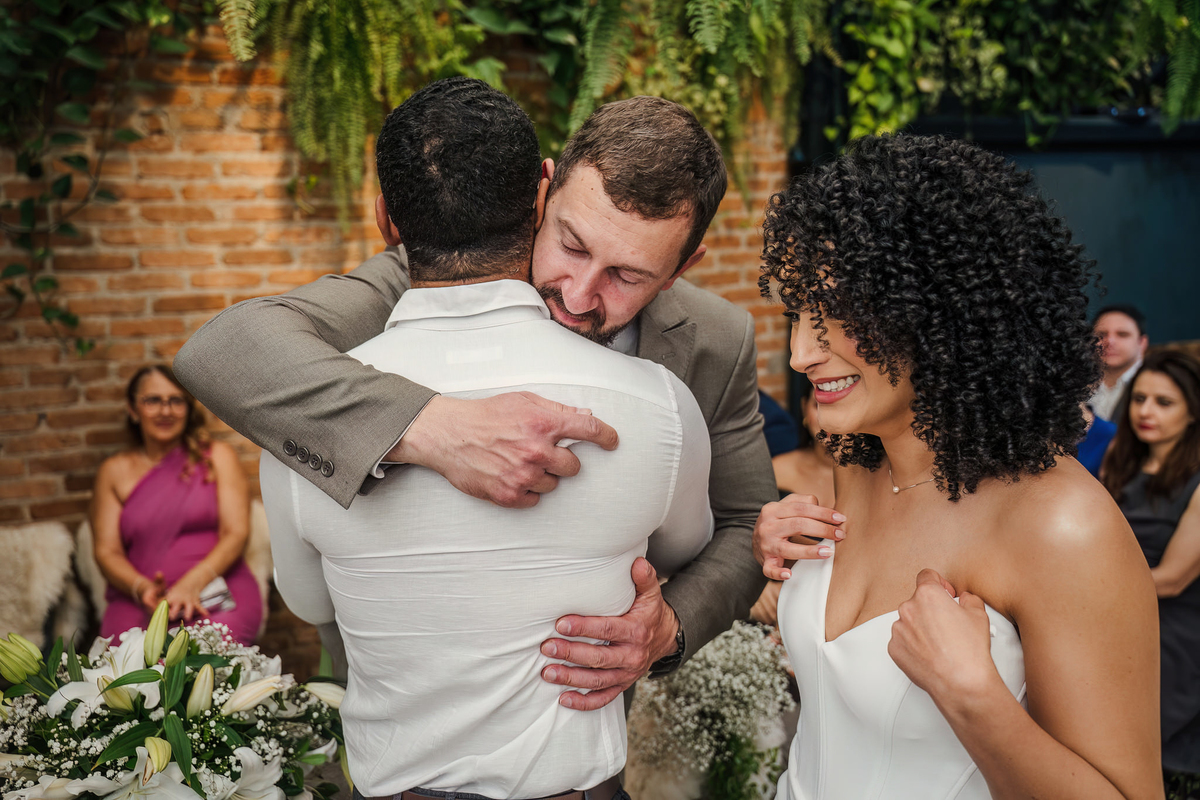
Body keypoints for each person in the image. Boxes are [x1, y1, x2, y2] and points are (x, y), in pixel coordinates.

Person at [175, 95, 836, 708]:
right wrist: (429, 426)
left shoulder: (718, 339)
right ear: (544, 193)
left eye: (627, 276)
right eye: (571, 245)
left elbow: (744, 517)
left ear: (682, 268)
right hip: (390, 705)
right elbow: (223, 351)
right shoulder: (431, 271)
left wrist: (671, 628)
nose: (577, 296)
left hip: (585, 722)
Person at [262, 77, 712, 800]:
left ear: (384, 220)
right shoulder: (660, 406)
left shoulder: (300, 421)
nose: (582, 291)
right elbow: (684, 551)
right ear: (541, 198)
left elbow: (313, 606)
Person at [754, 134, 1162, 799]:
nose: (801, 351)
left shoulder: (1064, 525)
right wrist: (778, 552)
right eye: (801, 311)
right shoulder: (858, 465)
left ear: (941, 314)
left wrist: (972, 695)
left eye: (838, 313)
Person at [91, 366, 261, 643]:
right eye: (153, 400)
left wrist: (192, 584)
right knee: (128, 664)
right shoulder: (113, 471)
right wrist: (141, 587)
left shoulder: (218, 457)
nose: (166, 411)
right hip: (140, 600)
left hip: (217, 587)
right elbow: (106, 551)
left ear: (188, 409)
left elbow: (236, 533)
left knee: (209, 659)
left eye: (176, 400)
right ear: (133, 409)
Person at [1101, 349, 1200, 782]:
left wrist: (1082, 590)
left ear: (1194, 411)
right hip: (1113, 612)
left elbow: (1174, 579)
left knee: (1144, 757)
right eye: (1139, 399)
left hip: (1172, 628)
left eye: (1164, 402)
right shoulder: (1120, 459)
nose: (1145, 411)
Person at [751, 377, 834, 626]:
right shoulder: (776, 468)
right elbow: (743, 534)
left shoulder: (878, 479)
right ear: (804, 408)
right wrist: (757, 588)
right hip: (774, 611)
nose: (828, 418)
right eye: (819, 405)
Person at [1091, 303, 1149, 421]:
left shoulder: (1159, 383)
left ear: (1142, 343)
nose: (1109, 341)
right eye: (1101, 335)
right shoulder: (1075, 385)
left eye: (1122, 334)